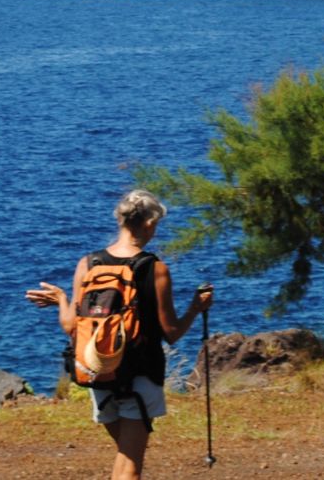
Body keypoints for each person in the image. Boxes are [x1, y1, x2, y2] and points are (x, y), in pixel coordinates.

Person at [25, 189, 214, 480]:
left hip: (97, 370)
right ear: (150, 224)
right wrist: (195, 308)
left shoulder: (88, 264)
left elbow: (71, 326)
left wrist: (62, 299)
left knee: (125, 457)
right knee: (130, 467)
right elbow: (172, 332)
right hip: (140, 373)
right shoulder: (155, 268)